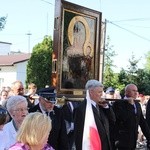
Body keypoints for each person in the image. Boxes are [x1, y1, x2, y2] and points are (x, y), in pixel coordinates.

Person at [74, 79, 116, 150]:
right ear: (91, 92)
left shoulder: (102, 106)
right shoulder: (81, 109)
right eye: (99, 92)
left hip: (105, 146)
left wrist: (106, 107)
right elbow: (79, 135)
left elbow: (113, 120)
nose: (102, 94)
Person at [113, 84, 150, 150]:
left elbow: (142, 122)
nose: (136, 93)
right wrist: (130, 106)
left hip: (133, 140)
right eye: (133, 91)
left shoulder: (137, 104)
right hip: (121, 141)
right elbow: (122, 118)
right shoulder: (118, 103)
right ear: (127, 92)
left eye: (136, 91)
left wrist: (148, 136)